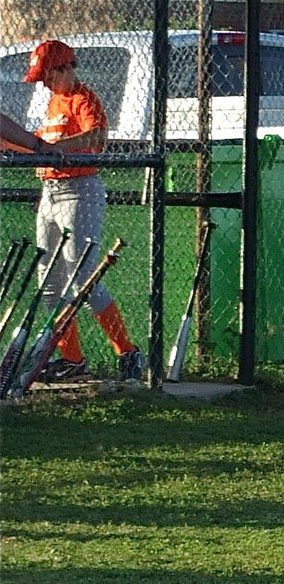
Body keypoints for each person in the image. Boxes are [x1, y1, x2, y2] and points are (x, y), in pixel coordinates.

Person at [22, 39, 143, 383]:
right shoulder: (53, 101)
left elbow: (98, 134)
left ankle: (127, 351)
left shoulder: (82, 97)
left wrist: (58, 148)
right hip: (51, 193)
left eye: (47, 75)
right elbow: (43, 141)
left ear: (64, 69)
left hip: (79, 192)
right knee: (49, 282)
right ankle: (71, 359)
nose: (44, 83)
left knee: (83, 280)